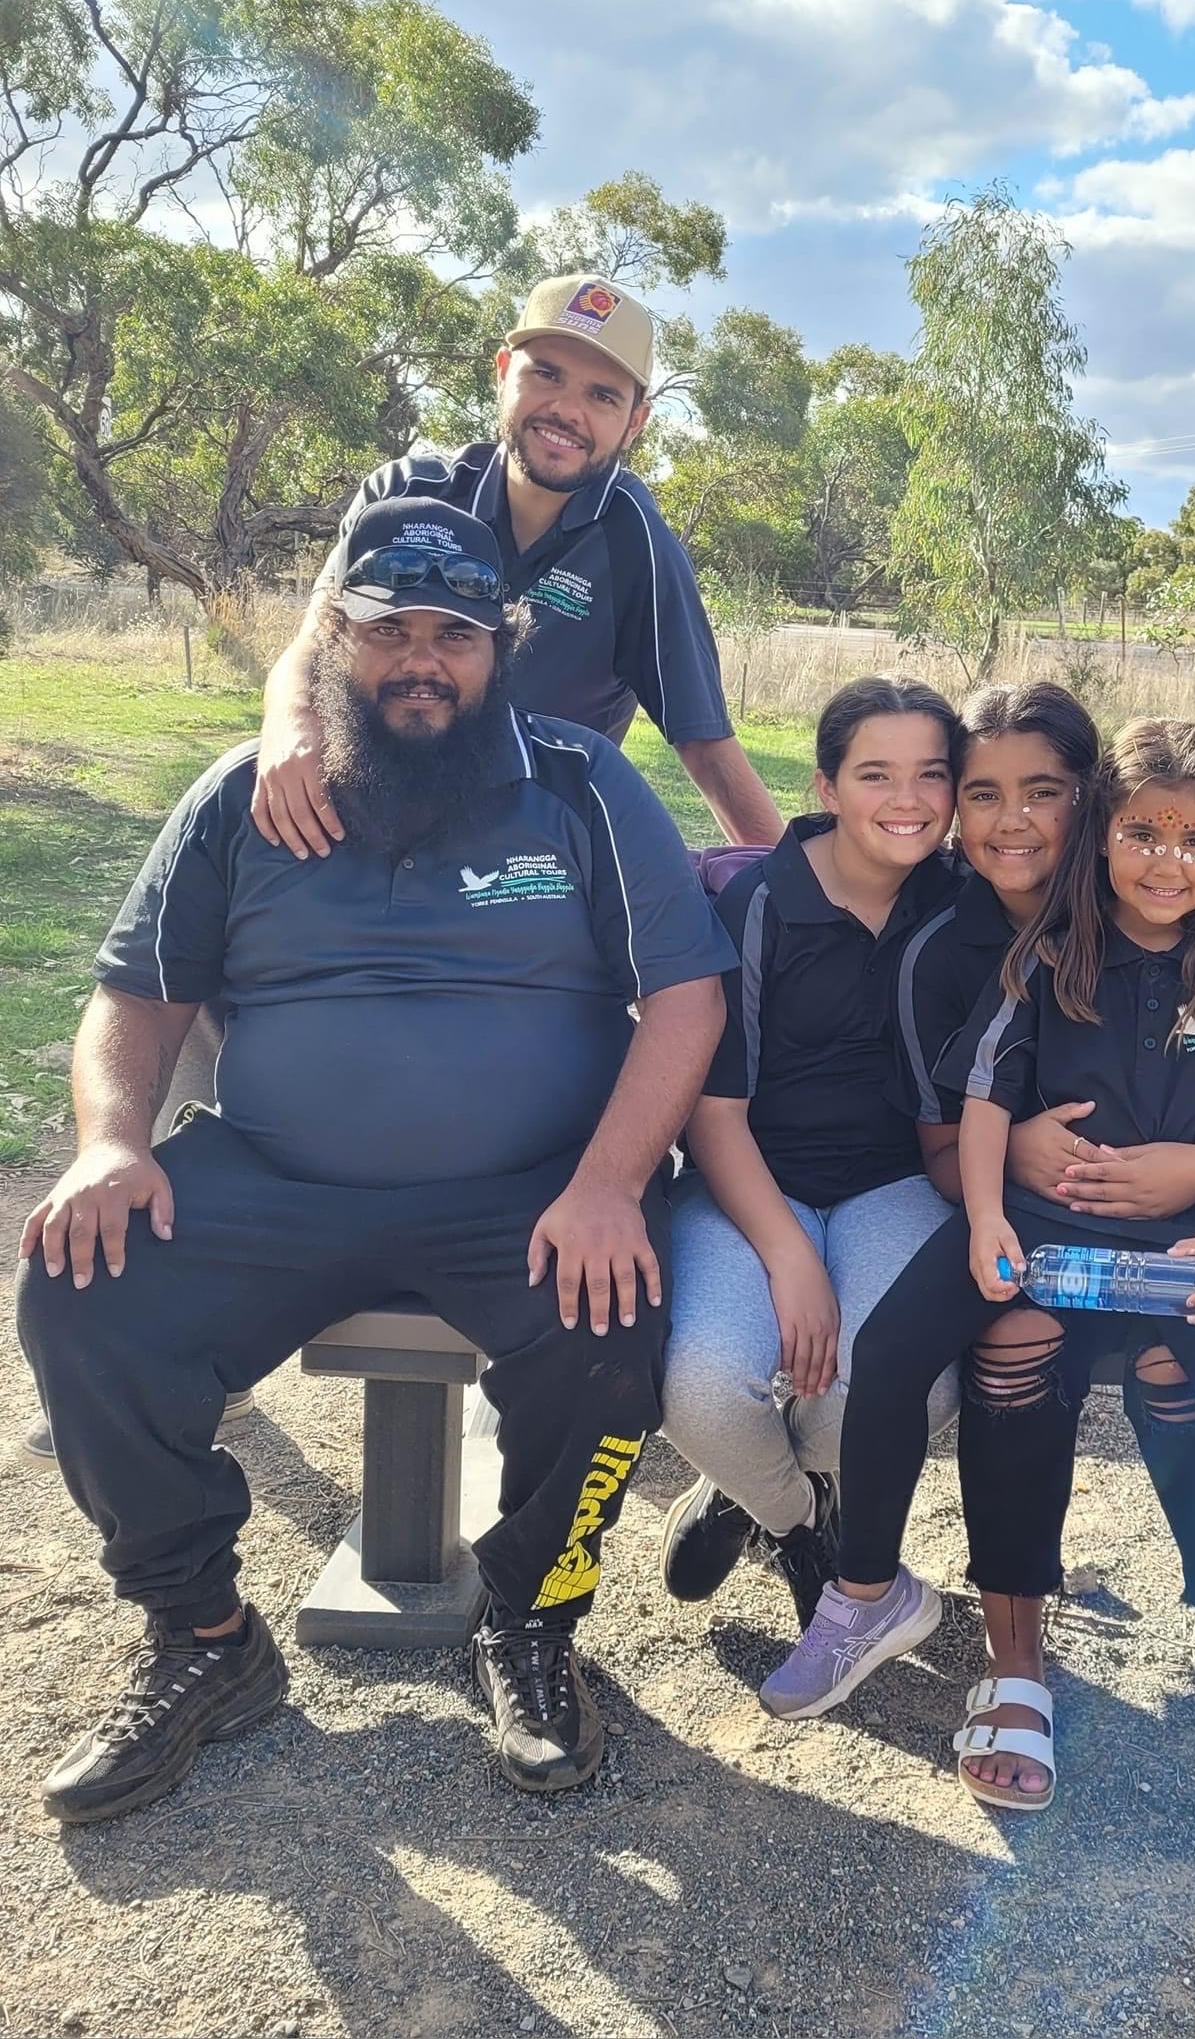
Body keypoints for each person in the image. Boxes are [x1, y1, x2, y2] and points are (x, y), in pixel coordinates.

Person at [15, 498, 733, 1821]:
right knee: (82, 1285)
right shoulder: (247, 793)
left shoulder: (578, 783)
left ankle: (530, 1623)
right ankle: (204, 1638)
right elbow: (135, 996)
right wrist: (112, 1143)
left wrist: (608, 1184)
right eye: (387, 628)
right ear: (334, 638)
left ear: (502, 643)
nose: (420, 661)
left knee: (614, 1320)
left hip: (529, 1188)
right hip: (277, 1176)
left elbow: (686, 996)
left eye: (453, 635)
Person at [760, 719, 1195, 1842]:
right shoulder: (1048, 957)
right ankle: (867, 1589)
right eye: (1142, 833)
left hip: (1185, 1250)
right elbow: (987, 1096)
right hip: (1037, 1230)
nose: (1166, 861)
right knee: (889, 1352)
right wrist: (986, 1218)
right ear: (1102, 833)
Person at [254, 271, 783, 859]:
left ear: (636, 421)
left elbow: (705, 743)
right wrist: (289, 719)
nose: (566, 410)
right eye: (546, 374)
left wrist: (797, 893)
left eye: (602, 395)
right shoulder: (402, 495)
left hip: (532, 859)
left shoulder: (636, 543)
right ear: (504, 371)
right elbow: (314, 643)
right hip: (365, 823)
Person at [655, 677, 965, 1634]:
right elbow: (713, 1112)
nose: (907, 800)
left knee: (890, 1393)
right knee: (705, 1392)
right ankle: (794, 1521)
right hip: (751, 1179)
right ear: (827, 787)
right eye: (875, 774)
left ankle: (756, 1488)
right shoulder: (760, 903)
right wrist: (790, 1259)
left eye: (932, 775)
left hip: (897, 1183)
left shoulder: (966, 900)